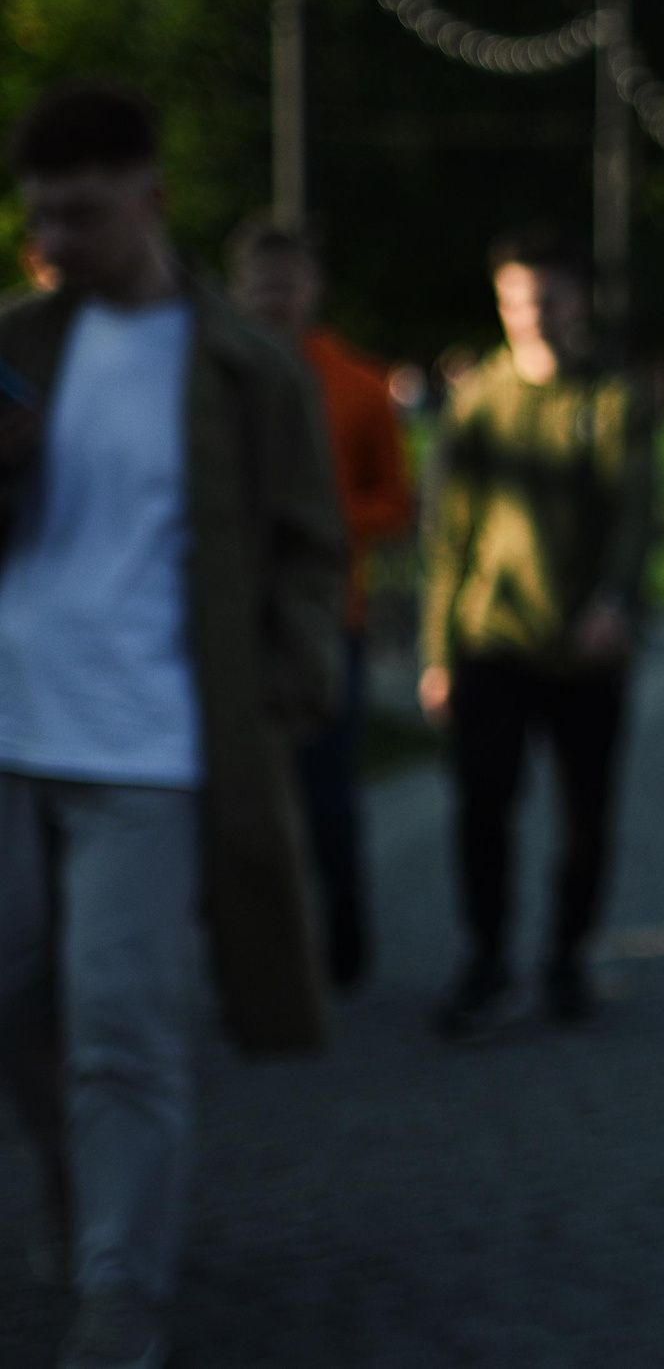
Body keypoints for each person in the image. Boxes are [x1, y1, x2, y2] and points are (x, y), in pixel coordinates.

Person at [0, 81, 344, 1369]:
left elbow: (311, 550)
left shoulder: (247, 365)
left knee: (122, 1032)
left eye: (81, 214)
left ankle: (116, 1306)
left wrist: (288, 685)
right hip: (9, 734)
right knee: (15, 1010)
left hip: (154, 749)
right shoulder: (16, 344)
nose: (55, 241)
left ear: (148, 199)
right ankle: (84, 1193)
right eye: (40, 217)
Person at [418, 233, 652, 1042]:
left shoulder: (615, 394)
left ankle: (566, 957)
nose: (532, 315)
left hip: (588, 648)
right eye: (517, 298)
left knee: (584, 815)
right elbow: (449, 533)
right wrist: (438, 653)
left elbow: (634, 514)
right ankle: (485, 958)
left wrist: (617, 601)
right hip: (494, 639)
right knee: (483, 805)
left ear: (577, 300)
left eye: (547, 298)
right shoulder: (478, 396)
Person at [230, 216, 415, 992]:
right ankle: (248, 953)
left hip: (325, 615)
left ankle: (343, 943)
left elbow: (398, 502)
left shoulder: (357, 383)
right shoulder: (208, 374)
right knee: (236, 799)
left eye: (290, 280)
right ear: (238, 287)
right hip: (226, 615)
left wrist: (326, 524)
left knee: (326, 793)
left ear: (314, 288)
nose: (276, 295)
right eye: (262, 281)